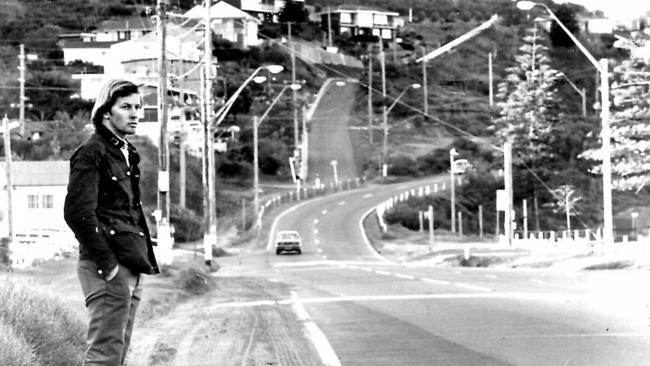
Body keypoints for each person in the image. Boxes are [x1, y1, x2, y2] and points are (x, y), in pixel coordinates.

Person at [64, 79, 159, 365]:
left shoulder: (126, 153)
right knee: (104, 356)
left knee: (117, 354)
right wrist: (109, 266)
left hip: (130, 262)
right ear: (106, 111)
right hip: (106, 266)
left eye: (138, 107)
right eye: (126, 107)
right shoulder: (92, 152)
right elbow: (78, 213)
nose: (135, 114)